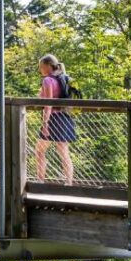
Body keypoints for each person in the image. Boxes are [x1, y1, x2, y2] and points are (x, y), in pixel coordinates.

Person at [32, 53, 78, 184]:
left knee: (39, 150)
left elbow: (48, 104)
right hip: (65, 117)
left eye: (40, 66)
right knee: (64, 152)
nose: (40, 70)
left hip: (52, 118)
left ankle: (40, 180)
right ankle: (69, 183)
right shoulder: (66, 78)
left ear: (47, 66)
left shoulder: (47, 80)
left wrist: (45, 124)